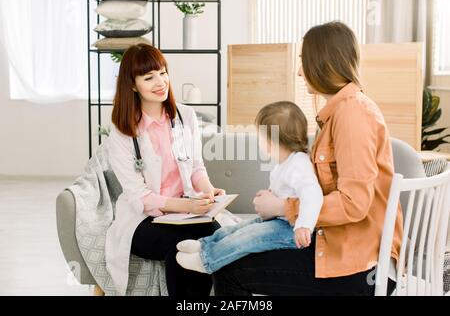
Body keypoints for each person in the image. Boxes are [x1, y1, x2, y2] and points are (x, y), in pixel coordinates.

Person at [212, 21, 403, 296]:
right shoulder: (341, 111)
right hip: (344, 250)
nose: (300, 72)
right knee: (234, 252)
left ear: (322, 63)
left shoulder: (352, 115)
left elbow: (354, 203)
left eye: (304, 61)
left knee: (229, 270)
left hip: (358, 268)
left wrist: (282, 207)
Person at [104, 43, 224, 296]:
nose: (160, 82)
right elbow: (140, 197)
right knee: (181, 246)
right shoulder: (122, 131)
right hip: (143, 221)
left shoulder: (185, 116)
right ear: (133, 85)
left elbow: (195, 167)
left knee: (216, 237)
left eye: (162, 72)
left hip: (184, 211)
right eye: (149, 77)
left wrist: (208, 191)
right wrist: (187, 207)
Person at [175, 101, 323, 274]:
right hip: (279, 220)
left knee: (250, 237)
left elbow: (313, 193)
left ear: (270, 142)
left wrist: (304, 225)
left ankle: (207, 260)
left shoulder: (299, 163)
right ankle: (204, 245)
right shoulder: (284, 163)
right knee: (239, 228)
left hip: (291, 229)